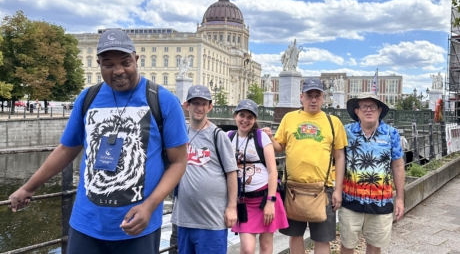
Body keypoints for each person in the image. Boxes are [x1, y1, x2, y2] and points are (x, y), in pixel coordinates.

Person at [8, 29, 188, 254]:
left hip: (138, 227)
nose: (118, 71)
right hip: (86, 226)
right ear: (99, 64)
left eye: (125, 62)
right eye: (108, 64)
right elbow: (66, 149)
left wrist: (149, 207)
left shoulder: (163, 101)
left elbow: (179, 162)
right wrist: (28, 187)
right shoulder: (87, 98)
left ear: (136, 59)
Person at [263, 77, 346, 254]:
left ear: (323, 98)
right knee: (295, 235)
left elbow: (339, 157)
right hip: (293, 188)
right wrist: (270, 138)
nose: (313, 100)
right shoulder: (289, 118)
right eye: (309, 95)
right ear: (302, 97)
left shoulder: (333, 122)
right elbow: (279, 147)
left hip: (323, 189)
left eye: (317, 95)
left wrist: (338, 190)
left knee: (322, 238)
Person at [171, 85, 238, 254]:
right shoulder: (180, 133)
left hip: (211, 220)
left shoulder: (218, 136)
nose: (199, 108)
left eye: (203, 104)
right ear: (187, 105)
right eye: (195, 103)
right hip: (184, 219)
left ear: (210, 107)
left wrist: (231, 207)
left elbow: (232, 173)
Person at [340, 92, 405, 254]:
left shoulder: (391, 133)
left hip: (381, 202)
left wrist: (400, 199)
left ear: (379, 110)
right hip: (350, 201)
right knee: (347, 245)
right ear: (357, 111)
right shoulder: (345, 132)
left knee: (375, 246)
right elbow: (335, 159)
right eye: (364, 106)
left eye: (373, 107)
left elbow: (398, 166)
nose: (368, 110)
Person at [229, 99, 288, 254]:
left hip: (264, 199)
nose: (245, 120)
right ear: (235, 115)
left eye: (250, 117)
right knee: (247, 249)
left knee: (266, 246)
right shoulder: (228, 137)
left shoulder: (261, 137)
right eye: (242, 115)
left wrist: (270, 202)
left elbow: (272, 172)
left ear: (254, 120)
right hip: (243, 202)